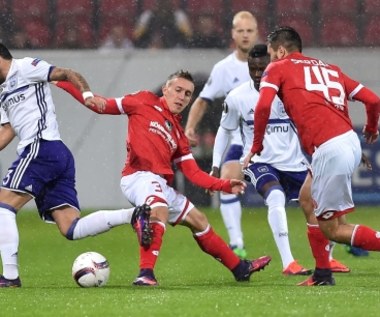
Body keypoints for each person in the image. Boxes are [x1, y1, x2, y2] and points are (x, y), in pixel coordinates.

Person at [54, 70, 271, 287]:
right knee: (159, 209)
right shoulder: (143, 100)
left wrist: (224, 184)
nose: (182, 97)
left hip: (159, 184)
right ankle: (145, 274)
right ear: (166, 89)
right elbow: (101, 105)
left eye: (187, 94)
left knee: (199, 220)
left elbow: (193, 173)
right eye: (178, 90)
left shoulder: (178, 133)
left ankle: (239, 269)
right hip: (138, 177)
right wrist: (65, 84)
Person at [243, 26, 380, 286]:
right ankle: (322, 274)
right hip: (347, 140)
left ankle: (324, 273)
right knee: (307, 198)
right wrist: (371, 129)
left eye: (271, 55)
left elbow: (262, 105)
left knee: (334, 229)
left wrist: (256, 146)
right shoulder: (330, 69)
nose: (269, 62)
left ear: (281, 51)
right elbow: (373, 100)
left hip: (330, 149)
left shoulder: (279, 67)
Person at [0, 43, 141, 288]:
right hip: (55, 155)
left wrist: (86, 94)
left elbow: (67, 74)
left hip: (41, 147)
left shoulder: (25, 67)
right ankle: (133, 215)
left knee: (2, 207)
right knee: (70, 228)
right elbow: (6, 131)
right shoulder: (2, 92)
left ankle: (10, 277)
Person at [213, 44, 311, 275]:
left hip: (294, 162)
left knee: (322, 204)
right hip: (259, 162)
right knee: (275, 196)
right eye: (252, 69)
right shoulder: (237, 97)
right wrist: (216, 164)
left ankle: (328, 259)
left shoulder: (291, 93)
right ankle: (289, 263)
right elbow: (224, 130)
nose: (257, 74)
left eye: (262, 69)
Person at [185, 11, 259, 259]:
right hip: (241, 140)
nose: (245, 35)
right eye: (241, 31)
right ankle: (237, 243)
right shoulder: (224, 68)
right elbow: (202, 100)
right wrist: (190, 127)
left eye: (249, 31)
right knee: (228, 180)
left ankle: (337, 237)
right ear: (233, 34)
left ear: (256, 33)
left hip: (274, 139)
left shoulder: (272, 64)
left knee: (306, 190)